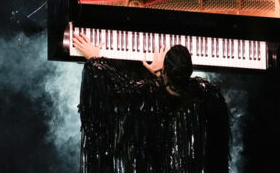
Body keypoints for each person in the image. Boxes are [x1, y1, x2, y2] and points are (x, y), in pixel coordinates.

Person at [73, 33, 230, 173]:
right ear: (190, 70)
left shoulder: (147, 96)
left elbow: (118, 91)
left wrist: (95, 60)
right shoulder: (207, 93)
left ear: (165, 72)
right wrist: (158, 75)